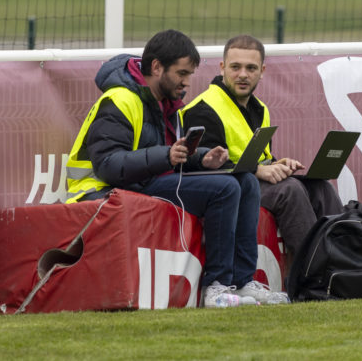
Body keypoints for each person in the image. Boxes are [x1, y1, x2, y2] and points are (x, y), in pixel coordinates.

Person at [65, 30, 289, 307]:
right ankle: (216, 287)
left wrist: (203, 158)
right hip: (105, 189)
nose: (187, 82)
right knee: (225, 188)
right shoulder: (120, 100)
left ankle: (242, 282)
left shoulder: (167, 102)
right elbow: (108, 166)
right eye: (182, 73)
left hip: (144, 181)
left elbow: (170, 154)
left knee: (245, 180)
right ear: (157, 67)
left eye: (189, 74)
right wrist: (167, 156)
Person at [180, 34, 344, 273]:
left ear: (262, 71)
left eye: (251, 68)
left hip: (254, 180)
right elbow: (207, 169)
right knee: (290, 190)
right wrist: (258, 170)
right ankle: (316, 275)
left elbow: (259, 157)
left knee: (321, 188)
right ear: (222, 67)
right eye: (235, 67)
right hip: (231, 188)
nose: (243, 75)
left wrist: (278, 164)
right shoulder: (202, 109)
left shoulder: (260, 108)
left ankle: (346, 264)